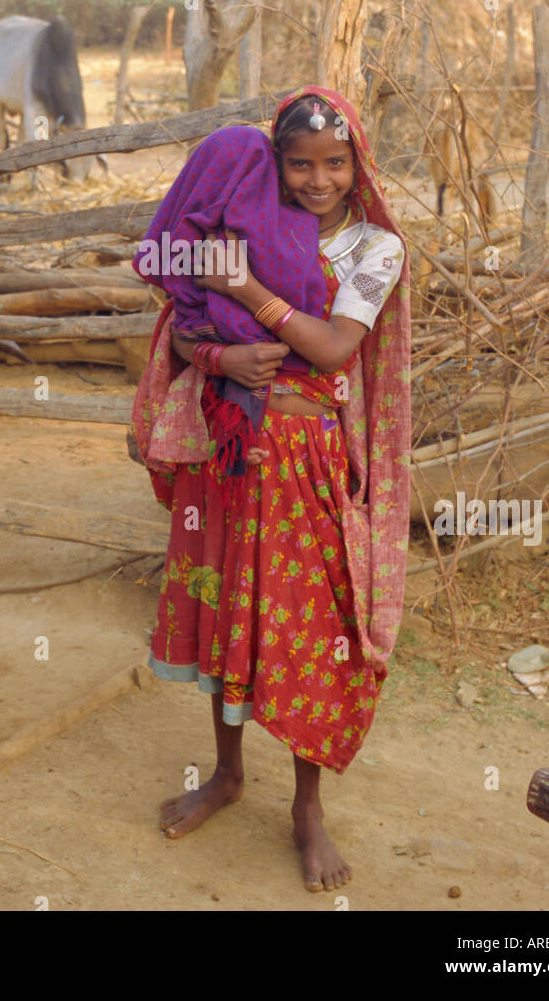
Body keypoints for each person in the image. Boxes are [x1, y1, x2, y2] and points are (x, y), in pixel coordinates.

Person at [131, 85, 411, 892]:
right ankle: (225, 776)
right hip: (229, 454)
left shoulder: (373, 250)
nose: (317, 181)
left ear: (357, 163)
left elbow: (328, 349)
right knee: (222, 612)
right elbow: (183, 330)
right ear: (275, 163)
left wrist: (248, 292)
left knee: (305, 630)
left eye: (333, 163)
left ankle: (306, 809)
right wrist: (222, 360)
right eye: (299, 165)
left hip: (305, 462)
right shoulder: (238, 217)